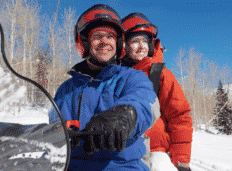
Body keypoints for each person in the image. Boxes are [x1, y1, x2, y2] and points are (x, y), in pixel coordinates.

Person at [50, 4, 160, 171]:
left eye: (110, 36)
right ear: (84, 43)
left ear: (119, 43)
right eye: (98, 36)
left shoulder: (132, 77)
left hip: (122, 166)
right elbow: (52, 126)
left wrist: (125, 115)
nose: (105, 42)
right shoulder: (66, 89)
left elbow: (146, 103)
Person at [121, 13, 193, 171]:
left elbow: (179, 118)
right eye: (134, 41)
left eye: (145, 41)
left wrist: (181, 162)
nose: (141, 46)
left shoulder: (160, 75)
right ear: (124, 45)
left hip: (155, 155)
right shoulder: (114, 77)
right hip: (122, 156)